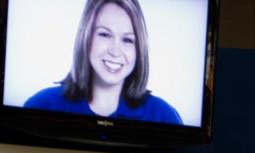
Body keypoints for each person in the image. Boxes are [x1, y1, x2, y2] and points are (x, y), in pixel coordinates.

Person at [24, 0, 183, 125]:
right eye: (105, 35)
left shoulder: (164, 116)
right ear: (86, 37)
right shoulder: (41, 105)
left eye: (127, 39)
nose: (115, 51)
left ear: (139, 49)